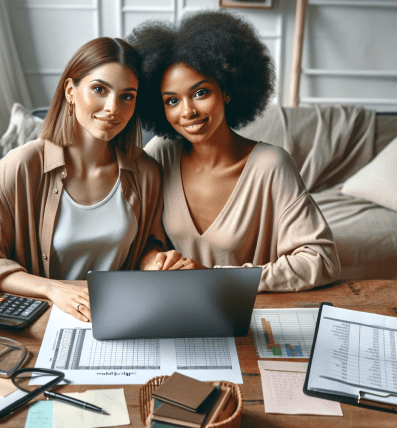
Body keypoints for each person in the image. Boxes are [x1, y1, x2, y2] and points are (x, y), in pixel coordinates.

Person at [0, 37, 165, 322]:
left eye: (127, 96)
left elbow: (151, 243)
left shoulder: (146, 172)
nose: (113, 107)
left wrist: (153, 260)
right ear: (70, 91)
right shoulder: (22, 166)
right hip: (42, 319)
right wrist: (53, 290)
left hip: (118, 317)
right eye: (99, 89)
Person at [128, 10, 341, 292]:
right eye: (171, 101)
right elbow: (144, 240)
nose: (188, 111)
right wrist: (153, 262)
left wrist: (216, 278)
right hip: (174, 306)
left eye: (200, 92)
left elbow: (322, 260)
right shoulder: (159, 154)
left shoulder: (271, 165)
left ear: (227, 90)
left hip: (246, 314)